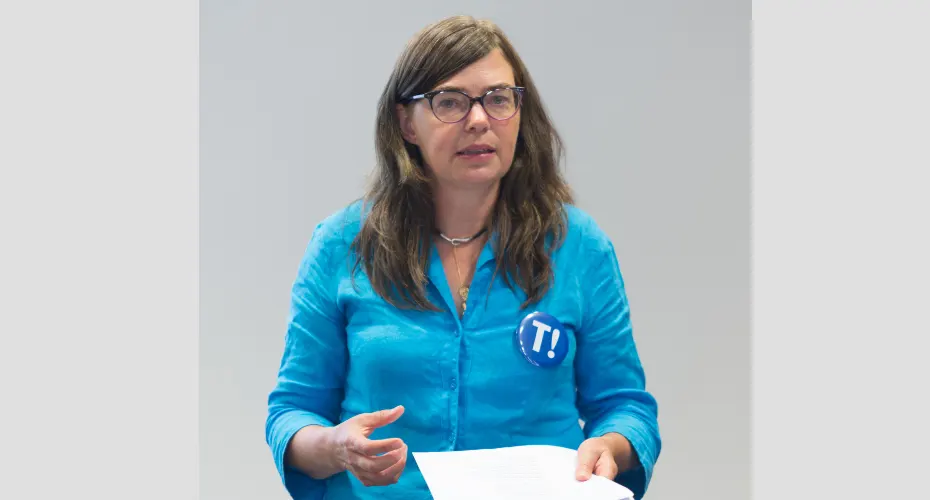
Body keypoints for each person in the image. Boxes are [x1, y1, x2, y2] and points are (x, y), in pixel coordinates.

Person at [265, 15, 661, 500]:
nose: (478, 120)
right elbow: (292, 412)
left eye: (498, 99)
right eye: (450, 102)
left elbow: (626, 407)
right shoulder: (341, 245)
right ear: (406, 123)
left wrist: (610, 446)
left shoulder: (578, 245)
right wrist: (335, 448)